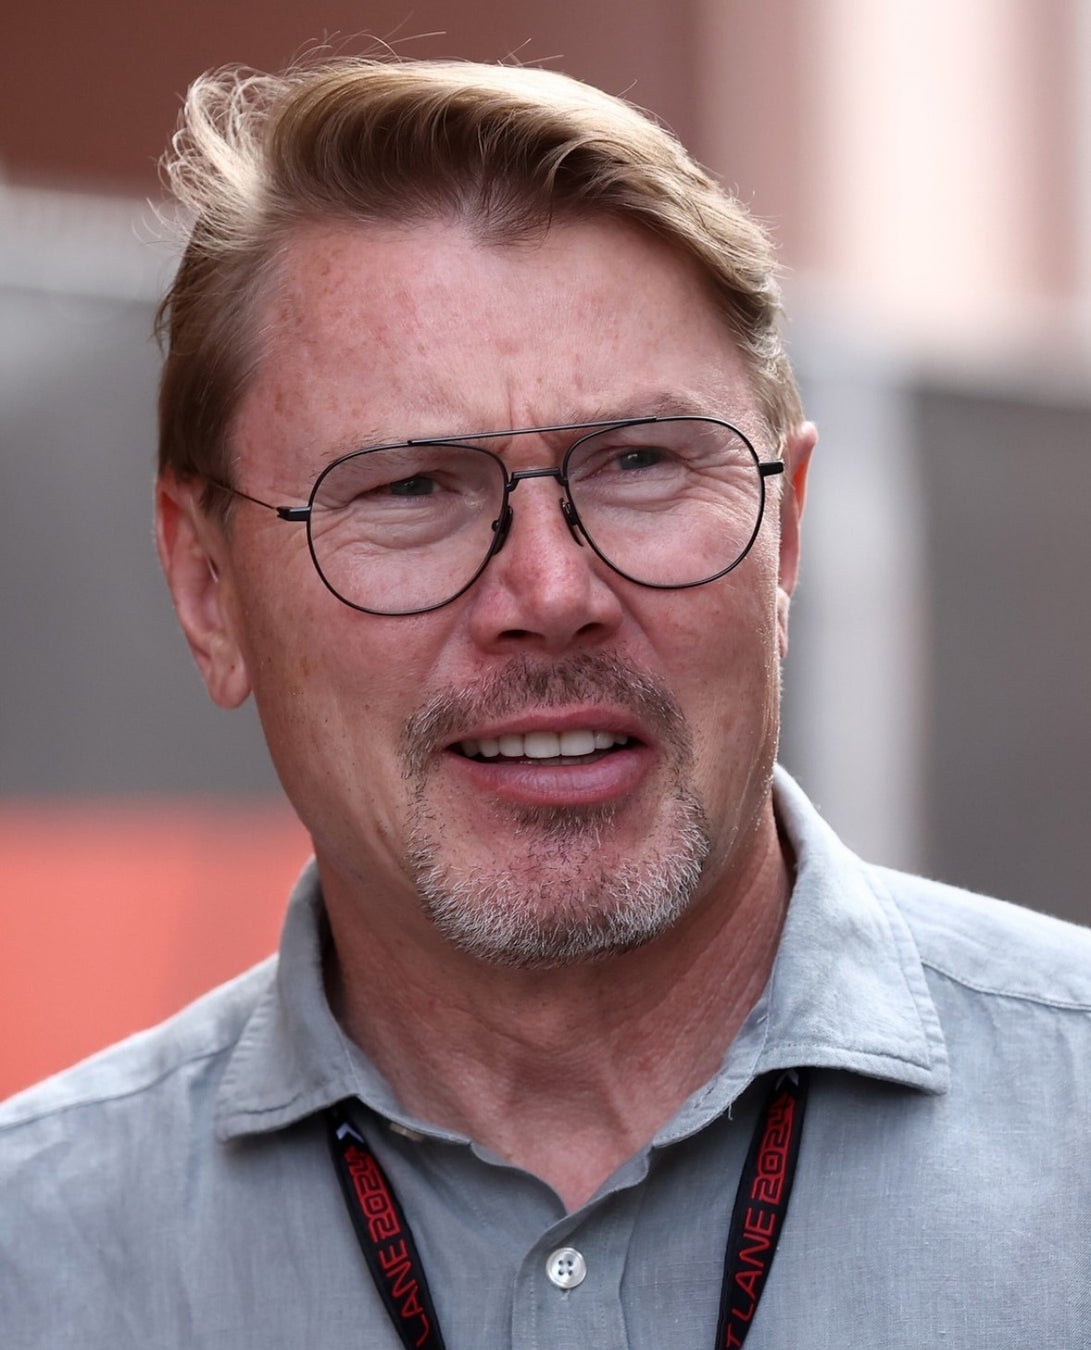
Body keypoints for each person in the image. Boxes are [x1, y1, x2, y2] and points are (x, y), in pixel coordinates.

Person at [2, 57, 1089, 1350]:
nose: (552, 591)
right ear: (207, 588)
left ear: (787, 532)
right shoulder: (35, 1265)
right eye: (411, 487)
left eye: (639, 462)